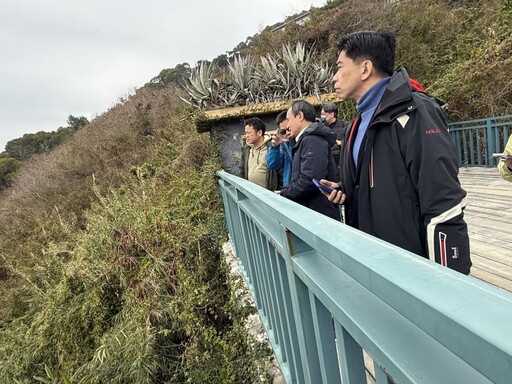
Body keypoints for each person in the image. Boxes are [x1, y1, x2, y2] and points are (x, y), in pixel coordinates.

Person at [320, 30, 471, 274]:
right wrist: (345, 190)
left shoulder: (415, 113)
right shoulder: (356, 125)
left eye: (339, 67)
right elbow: (380, 181)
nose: (334, 78)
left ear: (365, 68)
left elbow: (444, 202)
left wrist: (449, 280)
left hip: (411, 268)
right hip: (375, 263)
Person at [280, 100, 340, 221]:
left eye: (289, 120)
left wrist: (284, 193)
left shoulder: (312, 140)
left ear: (300, 116)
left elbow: (310, 180)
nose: (287, 126)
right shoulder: (304, 140)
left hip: (319, 214)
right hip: (312, 211)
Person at [239, 117, 279, 190]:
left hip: (269, 194)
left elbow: (279, 171)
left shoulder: (271, 147)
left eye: (249, 133)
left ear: (259, 132)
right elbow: (242, 170)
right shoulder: (246, 149)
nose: (246, 135)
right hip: (251, 193)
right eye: (246, 133)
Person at [321, 102, 349, 181]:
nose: (322, 117)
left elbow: (351, 142)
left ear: (332, 114)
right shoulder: (321, 128)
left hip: (342, 165)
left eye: (324, 114)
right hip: (327, 167)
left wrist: (339, 143)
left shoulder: (345, 125)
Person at [266, 111, 293, 187]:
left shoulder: (305, 141)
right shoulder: (284, 146)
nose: (287, 133)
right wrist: (275, 147)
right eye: (283, 131)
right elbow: (272, 164)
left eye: (289, 129)